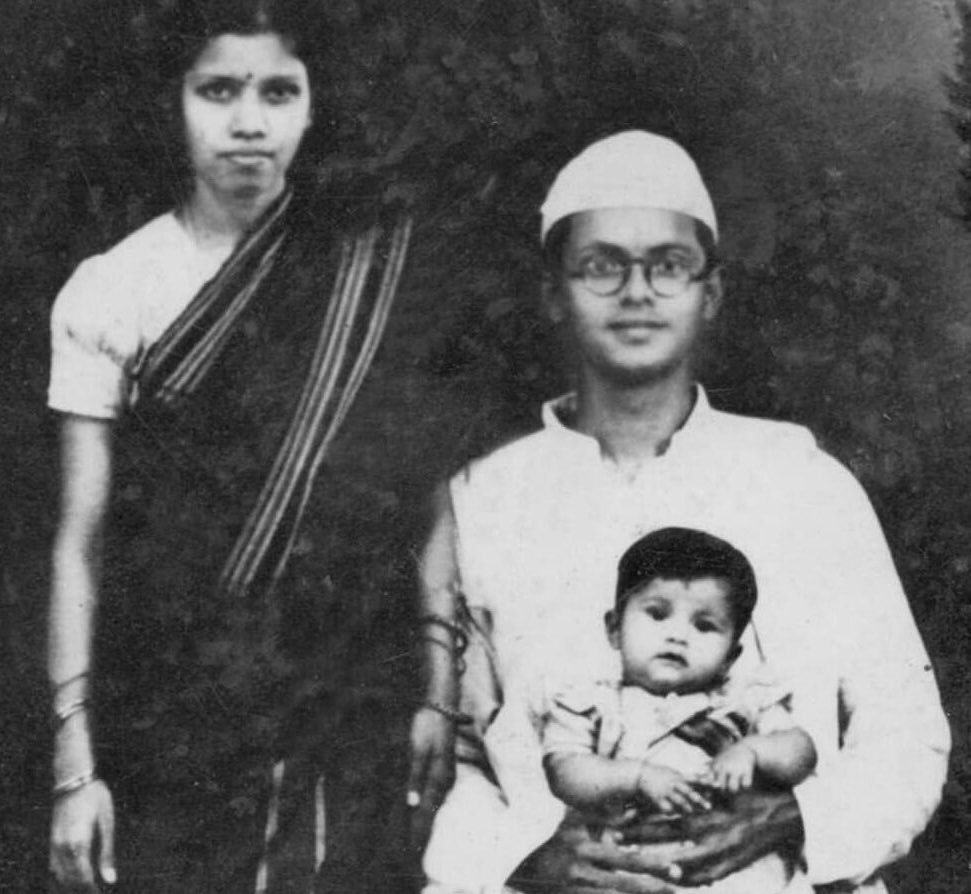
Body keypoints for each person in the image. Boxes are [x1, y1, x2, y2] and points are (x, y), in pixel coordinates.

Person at [408, 130, 950, 893]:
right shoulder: (481, 498)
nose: (636, 292)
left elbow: (904, 728)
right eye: (601, 265)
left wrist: (796, 818)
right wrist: (520, 861)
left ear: (710, 293)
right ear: (553, 293)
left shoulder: (805, 483)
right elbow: (457, 756)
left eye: (667, 265)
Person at [46, 2, 410, 891]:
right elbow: (81, 542)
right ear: (174, 103)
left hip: (342, 697)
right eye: (218, 91)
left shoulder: (367, 269)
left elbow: (426, 496)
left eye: (279, 92)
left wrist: (437, 687)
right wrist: (75, 769)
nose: (249, 122)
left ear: (313, 108)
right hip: (173, 702)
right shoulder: (113, 288)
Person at [543, 527, 816, 894]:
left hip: (729, 867)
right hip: (629, 864)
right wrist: (636, 777)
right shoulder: (594, 702)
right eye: (657, 614)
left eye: (704, 626)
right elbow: (564, 770)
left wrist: (752, 751)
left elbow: (801, 751)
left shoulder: (742, 700)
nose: (678, 635)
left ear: (731, 656)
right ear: (614, 629)